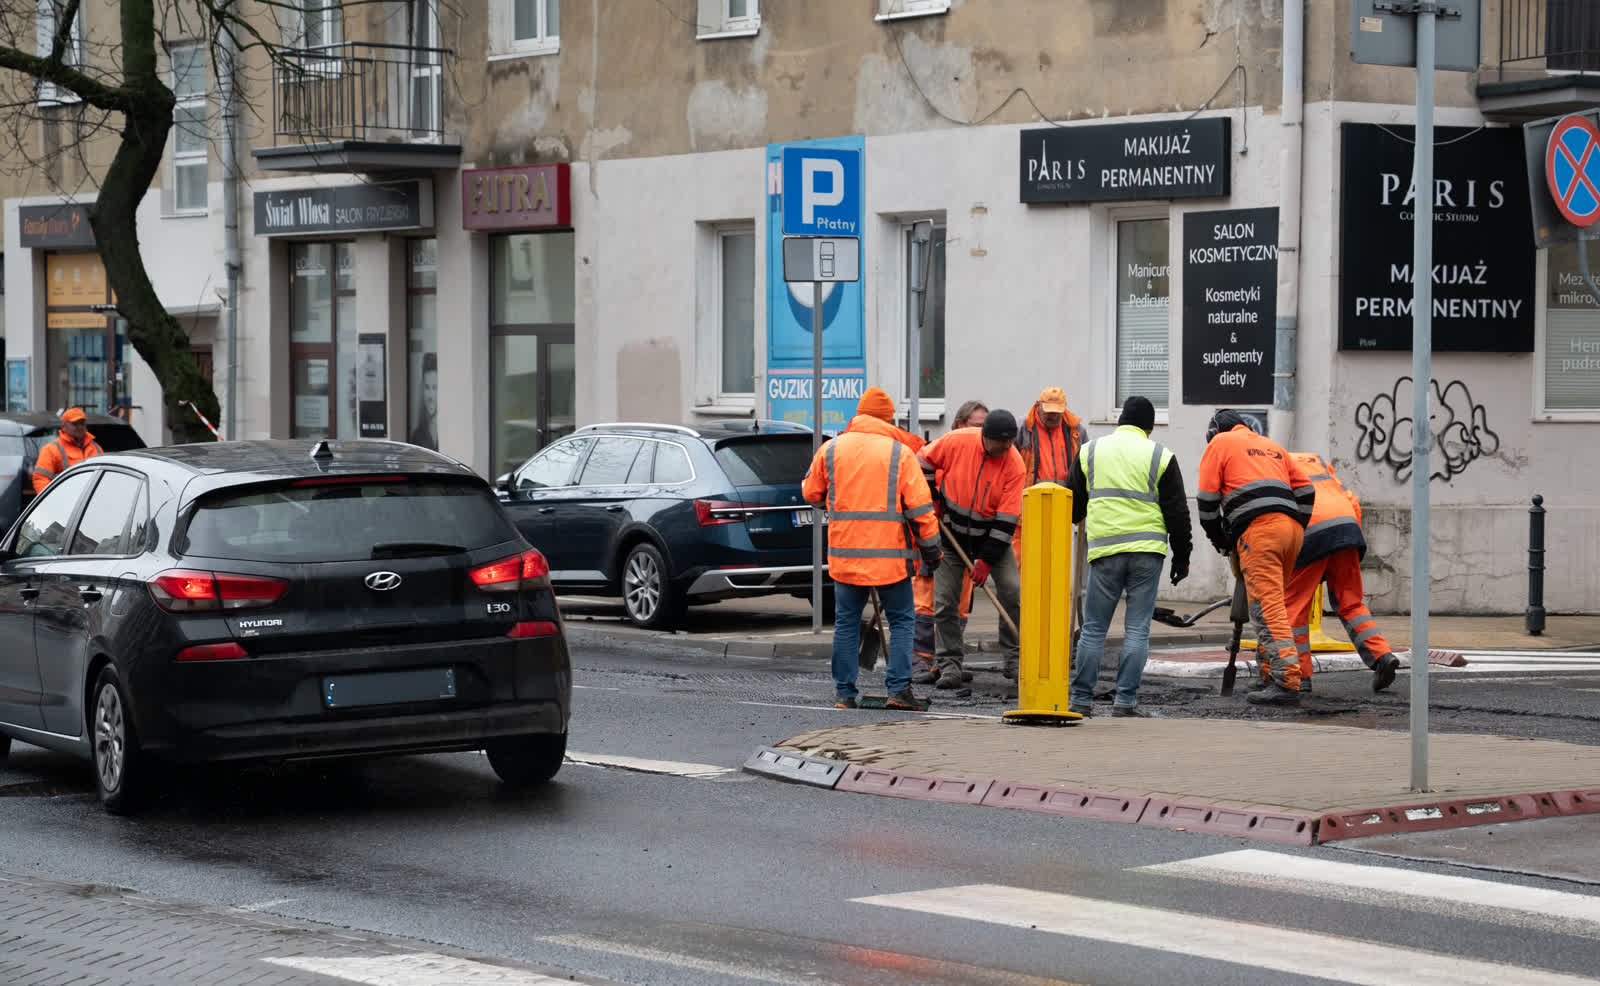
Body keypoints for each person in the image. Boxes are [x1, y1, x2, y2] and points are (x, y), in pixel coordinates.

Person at [802, 387, 943, 711]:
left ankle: (845, 694)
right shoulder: (899, 453)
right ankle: (898, 691)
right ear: (888, 418)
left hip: (846, 558)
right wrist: (932, 550)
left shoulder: (831, 449)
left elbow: (811, 493)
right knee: (903, 621)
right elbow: (921, 508)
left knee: (847, 623)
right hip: (890, 561)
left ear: (859, 413)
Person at [1065, 396, 1193, 718]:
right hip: (1147, 553)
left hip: (1105, 550)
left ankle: (1081, 700)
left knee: (1094, 628)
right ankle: (1124, 702)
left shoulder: (1090, 451)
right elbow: (1177, 511)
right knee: (1137, 629)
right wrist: (1182, 557)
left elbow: (1073, 505)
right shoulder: (1160, 455)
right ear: (1149, 426)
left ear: (1120, 421)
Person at [1197, 410, 1316, 706]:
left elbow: (1207, 501)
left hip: (1260, 532)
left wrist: (1220, 539)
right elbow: (1307, 489)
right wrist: (1295, 524)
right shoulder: (1271, 446)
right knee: (1276, 603)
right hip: (1291, 531)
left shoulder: (1219, 443)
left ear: (1214, 432)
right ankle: (1269, 673)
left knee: (1266, 608)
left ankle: (1287, 680)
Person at [919, 408, 1026, 688]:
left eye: (1010, 441)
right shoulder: (957, 441)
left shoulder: (1014, 464)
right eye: (1001, 442)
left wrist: (986, 561)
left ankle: (1015, 660)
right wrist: (932, 498)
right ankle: (950, 664)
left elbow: (1007, 520)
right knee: (944, 602)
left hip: (992, 538)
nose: (1006, 447)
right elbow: (922, 462)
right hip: (952, 536)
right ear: (985, 438)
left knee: (1013, 592)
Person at [1285, 451, 1402, 693]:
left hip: (1312, 532)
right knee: (1351, 603)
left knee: (1294, 608)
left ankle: (1300, 674)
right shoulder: (1321, 466)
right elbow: (1352, 500)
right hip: (1347, 528)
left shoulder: (1276, 465)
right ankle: (1381, 656)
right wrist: (1348, 541)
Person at [911, 400, 983, 684]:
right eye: (977, 425)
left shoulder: (980, 456)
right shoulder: (945, 450)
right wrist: (936, 502)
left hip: (965, 538)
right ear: (960, 425)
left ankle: (947, 660)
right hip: (937, 534)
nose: (981, 431)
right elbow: (923, 476)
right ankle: (921, 661)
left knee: (960, 605)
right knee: (929, 601)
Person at [1013, 386, 1089, 566]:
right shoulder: (1022, 428)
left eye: (1057, 412)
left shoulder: (1076, 430)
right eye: (1049, 412)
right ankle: (1023, 595)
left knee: (1054, 560)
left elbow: (1085, 467)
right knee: (1023, 560)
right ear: (1038, 406)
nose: (1053, 416)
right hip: (1027, 505)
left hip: (1061, 505)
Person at [31, 407, 104, 493]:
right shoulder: (51, 450)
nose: (79, 427)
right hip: (65, 501)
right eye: (75, 424)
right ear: (64, 426)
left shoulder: (96, 448)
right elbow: (40, 479)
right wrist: (53, 501)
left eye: (82, 423)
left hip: (90, 501)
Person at [409, 353, 439, 450]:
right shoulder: (417, 435)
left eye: (435, 388)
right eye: (427, 387)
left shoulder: (453, 428)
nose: (430, 396)